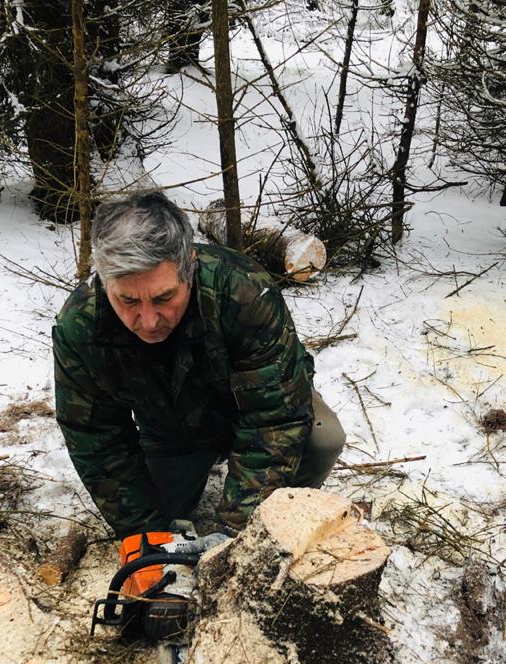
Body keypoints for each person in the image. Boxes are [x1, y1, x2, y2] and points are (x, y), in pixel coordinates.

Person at [53, 191, 345, 541]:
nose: (147, 321)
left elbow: (275, 418)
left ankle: (277, 515)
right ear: (103, 280)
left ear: (189, 266)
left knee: (322, 439)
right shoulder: (81, 325)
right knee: (152, 516)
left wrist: (237, 533)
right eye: (127, 300)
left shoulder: (244, 291)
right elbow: (96, 438)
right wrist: (144, 537)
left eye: (164, 298)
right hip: (173, 430)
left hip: (255, 409)